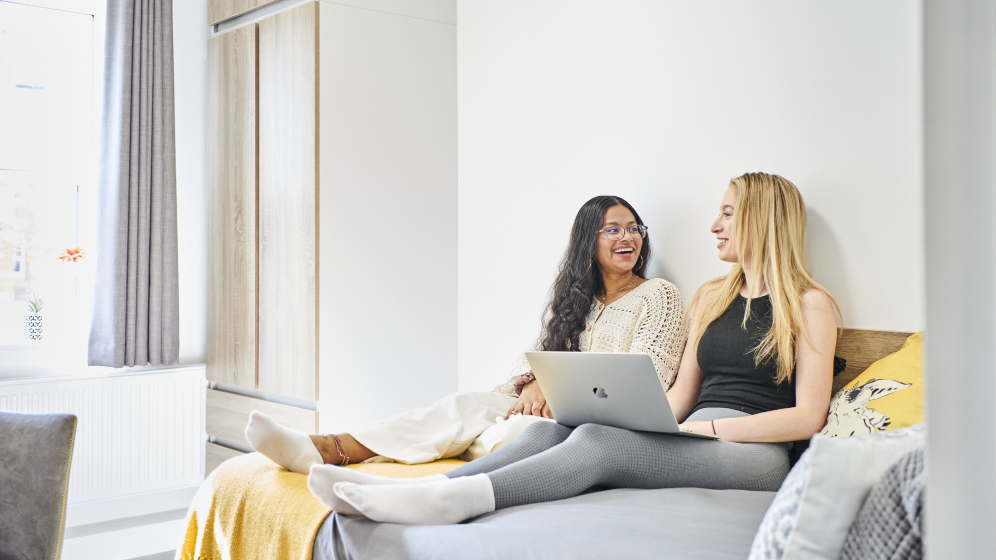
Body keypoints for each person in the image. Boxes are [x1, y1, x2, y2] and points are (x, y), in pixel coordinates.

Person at [306, 172, 841, 525]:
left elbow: (809, 415)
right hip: (696, 432)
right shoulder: (711, 297)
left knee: (600, 445)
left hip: (757, 456)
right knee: (551, 427)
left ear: (763, 220)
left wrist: (707, 429)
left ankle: (449, 502)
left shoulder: (810, 305)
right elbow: (682, 394)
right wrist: (657, 421)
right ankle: (428, 488)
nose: (714, 225)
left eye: (728, 213)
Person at [244, 195, 687, 474]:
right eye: (613, 229)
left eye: (634, 228)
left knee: (505, 437)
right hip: (548, 411)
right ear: (588, 242)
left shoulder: (658, 296)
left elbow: (644, 381)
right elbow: (534, 354)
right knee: (465, 405)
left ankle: (434, 454)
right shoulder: (578, 301)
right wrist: (534, 381)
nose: (627, 237)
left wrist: (560, 393)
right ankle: (326, 449)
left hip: (592, 428)